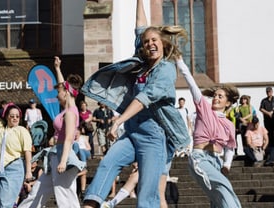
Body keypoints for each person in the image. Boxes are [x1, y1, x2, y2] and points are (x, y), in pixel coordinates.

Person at [82, 0, 190, 207]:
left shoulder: (166, 69)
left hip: (153, 137)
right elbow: (140, 26)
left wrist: (118, 121)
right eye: (147, 41)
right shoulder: (141, 66)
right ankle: (90, 204)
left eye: (154, 40)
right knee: (107, 163)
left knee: (147, 193)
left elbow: (144, 98)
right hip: (133, 133)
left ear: (164, 43)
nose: (150, 43)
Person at [18, 56, 84, 208]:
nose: (56, 95)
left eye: (59, 92)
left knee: (65, 197)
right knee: (37, 193)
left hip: (63, 156)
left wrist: (63, 161)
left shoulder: (70, 113)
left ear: (66, 92)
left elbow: (68, 138)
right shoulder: (67, 109)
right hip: (55, 154)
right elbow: (62, 85)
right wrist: (57, 68)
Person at [176, 56, 242, 207]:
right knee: (224, 187)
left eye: (220, 96)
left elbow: (230, 147)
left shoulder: (229, 124)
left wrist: (227, 165)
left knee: (219, 197)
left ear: (229, 102)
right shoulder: (204, 109)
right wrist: (180, 63)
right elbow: (192, 85)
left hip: (216, 160)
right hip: (200, 158)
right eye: (215, 96)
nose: (216, 98)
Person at [0, 88, 33, 208]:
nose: (15, 118)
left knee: (4, 204)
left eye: (17, 116)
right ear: (7, 117)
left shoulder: (22, 131)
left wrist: (28, 171)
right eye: (12, 116)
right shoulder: (0, 126)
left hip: (13, 169)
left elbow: (27, 151)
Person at [260, 87, 274, 153]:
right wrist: (268, 113)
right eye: (267, 92)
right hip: (267, 120)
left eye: (269, 91)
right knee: (269, 134)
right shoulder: (264, 100)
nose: (268, 93)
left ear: (272, 92)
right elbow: (261, 108)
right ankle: (271, 149)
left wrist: (272, 112)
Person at [73, 128, 92, 198]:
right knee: (83, 174)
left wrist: (82, 149)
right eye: (75, 132)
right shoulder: (72, 141)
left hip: (86, 153)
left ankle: (83, 164)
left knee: (80, 150)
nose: (76, 133)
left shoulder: (83, 138)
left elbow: (89, 148)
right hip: (78, 157)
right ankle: (83, 191)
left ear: (79, 132)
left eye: (77, 132)